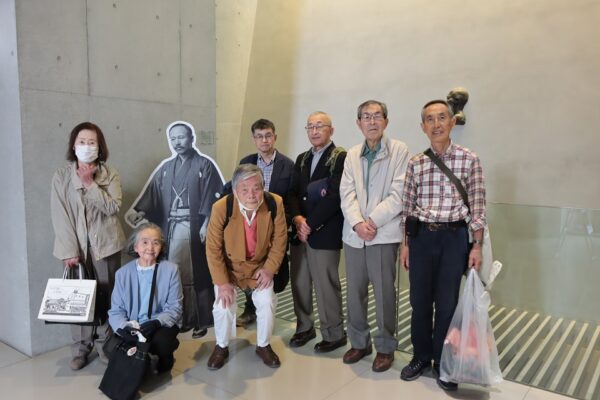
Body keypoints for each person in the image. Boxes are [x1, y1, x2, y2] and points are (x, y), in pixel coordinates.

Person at [399, 100, 486, 391]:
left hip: (454, 238)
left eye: (441, 118)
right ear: (422, 127)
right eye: (430, 119)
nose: (436, 124)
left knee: (447, 303)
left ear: (452, 122)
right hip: (421, 238)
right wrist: (406, 245)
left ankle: (443, 361)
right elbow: (407, 209)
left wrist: (476, 246)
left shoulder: (469, 159)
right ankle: (421, 357)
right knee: (419, 301)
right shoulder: (416, 163)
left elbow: (478, 207)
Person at [126, 121, 224, 339]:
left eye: (181, 137)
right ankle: (182, 318)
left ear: (191, 138)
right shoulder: (166, 168)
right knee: (174, 274)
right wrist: (140, 211)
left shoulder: (204, 165)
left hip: (193, 227)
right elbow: (153, 194)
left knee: (194, 274)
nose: (177, 142)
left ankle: (199, 319)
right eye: (173, 138)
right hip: (170, 228)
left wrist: (207, 224)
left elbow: (213, 197)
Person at [339, 100, 410, 372]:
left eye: (377, 116)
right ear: (358, 123)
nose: (371, 122)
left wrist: (371, 221)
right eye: (366, 117)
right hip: (355, 235)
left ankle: (385, 347)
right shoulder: (352, 154)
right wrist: (358, 223)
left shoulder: (400, 150)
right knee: (354, 291)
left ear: (386, 122)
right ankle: (359, 343)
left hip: (383, 234)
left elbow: (399, 193)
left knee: (384, 293)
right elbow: (346, 193)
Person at [50, 122, 126, 370]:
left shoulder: (110, 173)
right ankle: (81, 349)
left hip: (107, 246)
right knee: (78, 298)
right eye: (81, 141)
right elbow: (60, 215)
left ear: (99, 146)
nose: (86, 146)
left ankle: (106, 345)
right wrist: (69, 251)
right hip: (76, 249)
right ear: (73, 146)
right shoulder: (61, 176)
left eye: (91, 142)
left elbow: (113, 207)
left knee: (107, 296)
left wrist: (90, 183)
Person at [205, 164, 287, 369]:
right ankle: (221, 346)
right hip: (230, 269)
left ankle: (263, 345)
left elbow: (280, 240)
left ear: (263, 188)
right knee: (223, 306)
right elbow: (213, 248)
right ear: (235, 191)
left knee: (267, 301)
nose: (251, 195)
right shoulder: (221, 207)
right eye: (245, 189)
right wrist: (223, 283)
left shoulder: (274, 203)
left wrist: (269, 269)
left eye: (256, 188)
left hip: (259, 267)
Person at [286, 111, 347, 353]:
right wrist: (297, 219)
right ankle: (304, 327)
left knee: (326, 285)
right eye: (310, 126)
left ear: (331, 130)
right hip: (300, 232)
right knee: (299, 282)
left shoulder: (340, 157)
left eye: (319, 126)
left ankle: (334, 333)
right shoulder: (302, 158)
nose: (314, 131)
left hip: (324, 232)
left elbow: (335, 196)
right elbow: (292, 193)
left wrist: (309, 224)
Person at [235, 118, 294, 326]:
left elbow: (291, 197)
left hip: (275, 225)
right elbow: (238, 192)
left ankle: (266, 309)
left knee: (272, 270)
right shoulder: (246, 162)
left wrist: (284, 223)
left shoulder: (287, 165)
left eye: (268, 135)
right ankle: (250, 309)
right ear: (254, 140)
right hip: (249, 225)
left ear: (274, 137)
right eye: (259, 136)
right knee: (249, 267)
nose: (264, 140)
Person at [108, 223, 183, 373]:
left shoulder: (171, 270)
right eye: (145, 242)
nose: (150, 247)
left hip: (159, 323)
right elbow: (116, 310)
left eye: (156, 242)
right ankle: (143, 357)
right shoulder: (122, 274)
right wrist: (124, 327)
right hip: (134, 325)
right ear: (135, 247)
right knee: (112, 348)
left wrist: (157, 322)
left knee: (161, 344)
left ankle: (166, 353)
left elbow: (175, 307)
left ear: (161, 247)